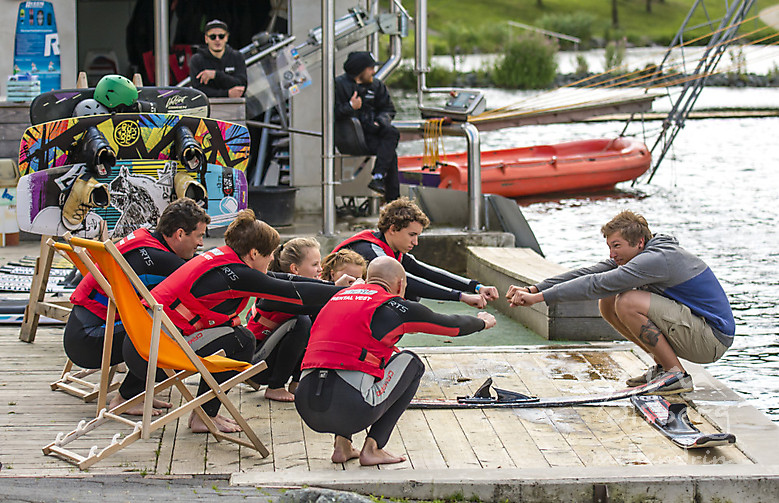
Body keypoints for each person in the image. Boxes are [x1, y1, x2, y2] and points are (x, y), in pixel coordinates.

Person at [134, 210, 343, 433]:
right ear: (254, 253)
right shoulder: (237, 274)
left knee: (234, 333)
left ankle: (193, 410)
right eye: (270, 254)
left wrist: (335, 287)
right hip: (155, 355)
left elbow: (280, 279)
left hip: (140, 344)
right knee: (241, 340)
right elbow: (288, 290)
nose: (272, 259)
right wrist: (347, 292)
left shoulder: (225, 259)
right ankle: (205, 415)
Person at [506, 210, 735, 395]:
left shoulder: (655, 259)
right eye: (609, 247)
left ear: (639, 242)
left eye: (617, 246)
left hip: (711, 339)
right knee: (608, 300)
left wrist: (539, 299)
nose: (612, 254)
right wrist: (534, 289)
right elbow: (589, 273)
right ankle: (663, 367)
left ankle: (676, 375)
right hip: (695, 330)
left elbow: (595, 284)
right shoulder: (643, 254)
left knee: (627, 301)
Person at [295, 256, 496, 466]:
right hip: (353, 410)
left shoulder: (337, 296)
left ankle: (342, 445)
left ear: (367, 279)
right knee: (411, 363)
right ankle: (373, 447)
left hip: (307, 407)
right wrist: (481, 323)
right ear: (400, 285)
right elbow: (451, 326)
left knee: (356, 357)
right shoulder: (394, 305)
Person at [64, 198, 210, 415]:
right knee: (170, 326)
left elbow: (198, 262)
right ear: (180, 234)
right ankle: (127, 397)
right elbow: (204, 277)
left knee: (159, 317)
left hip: (83, 333)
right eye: (199, 236)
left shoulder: (147, 241)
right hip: (90, 342)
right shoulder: (158, 258)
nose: (201, 243)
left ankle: (139, 392)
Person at [333, 197, 500, 308]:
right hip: (329, 306)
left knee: (409, 297)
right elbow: (410, 281)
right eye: (412, 235)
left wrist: (476, 287)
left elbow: (426, 271)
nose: (415, 242)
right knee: (406, 292)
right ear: (393, 229)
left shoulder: (391, 248)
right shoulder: (369, 250)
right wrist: (461, 297)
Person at [247, 237, 343, 402]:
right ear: (295, 269)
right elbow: (307, 307)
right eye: (315, 265)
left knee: (317, 321)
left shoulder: (298, 290)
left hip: (267, 361)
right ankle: (276, 386)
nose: (320, 269)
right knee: (301, 321)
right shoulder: (278, 291)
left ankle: (297, 381)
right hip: (256, 365)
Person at [335, 51, 400, 200]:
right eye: (370, 68)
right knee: (389, 153)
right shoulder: (339, 85)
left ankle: (380, 180)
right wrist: (350, 107)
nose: (373, 71)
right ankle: (390, 195)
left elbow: (388, 109)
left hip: (373, 131)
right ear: (361, 69)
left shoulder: (376, 85)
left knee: (391, 134)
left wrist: (380, 121)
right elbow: (332, 114)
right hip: (352, 136)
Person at [188, 19, 247, 98]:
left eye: (221, 36)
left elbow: (242, 84)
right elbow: (198, 90)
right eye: (213, 37)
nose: (217, 40)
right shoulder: (197, 60)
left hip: (236, 104)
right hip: (207, 104)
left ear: (226, 37)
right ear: (206, 39)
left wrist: (216, 75)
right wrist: (226, 93)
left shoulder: (237, 57)